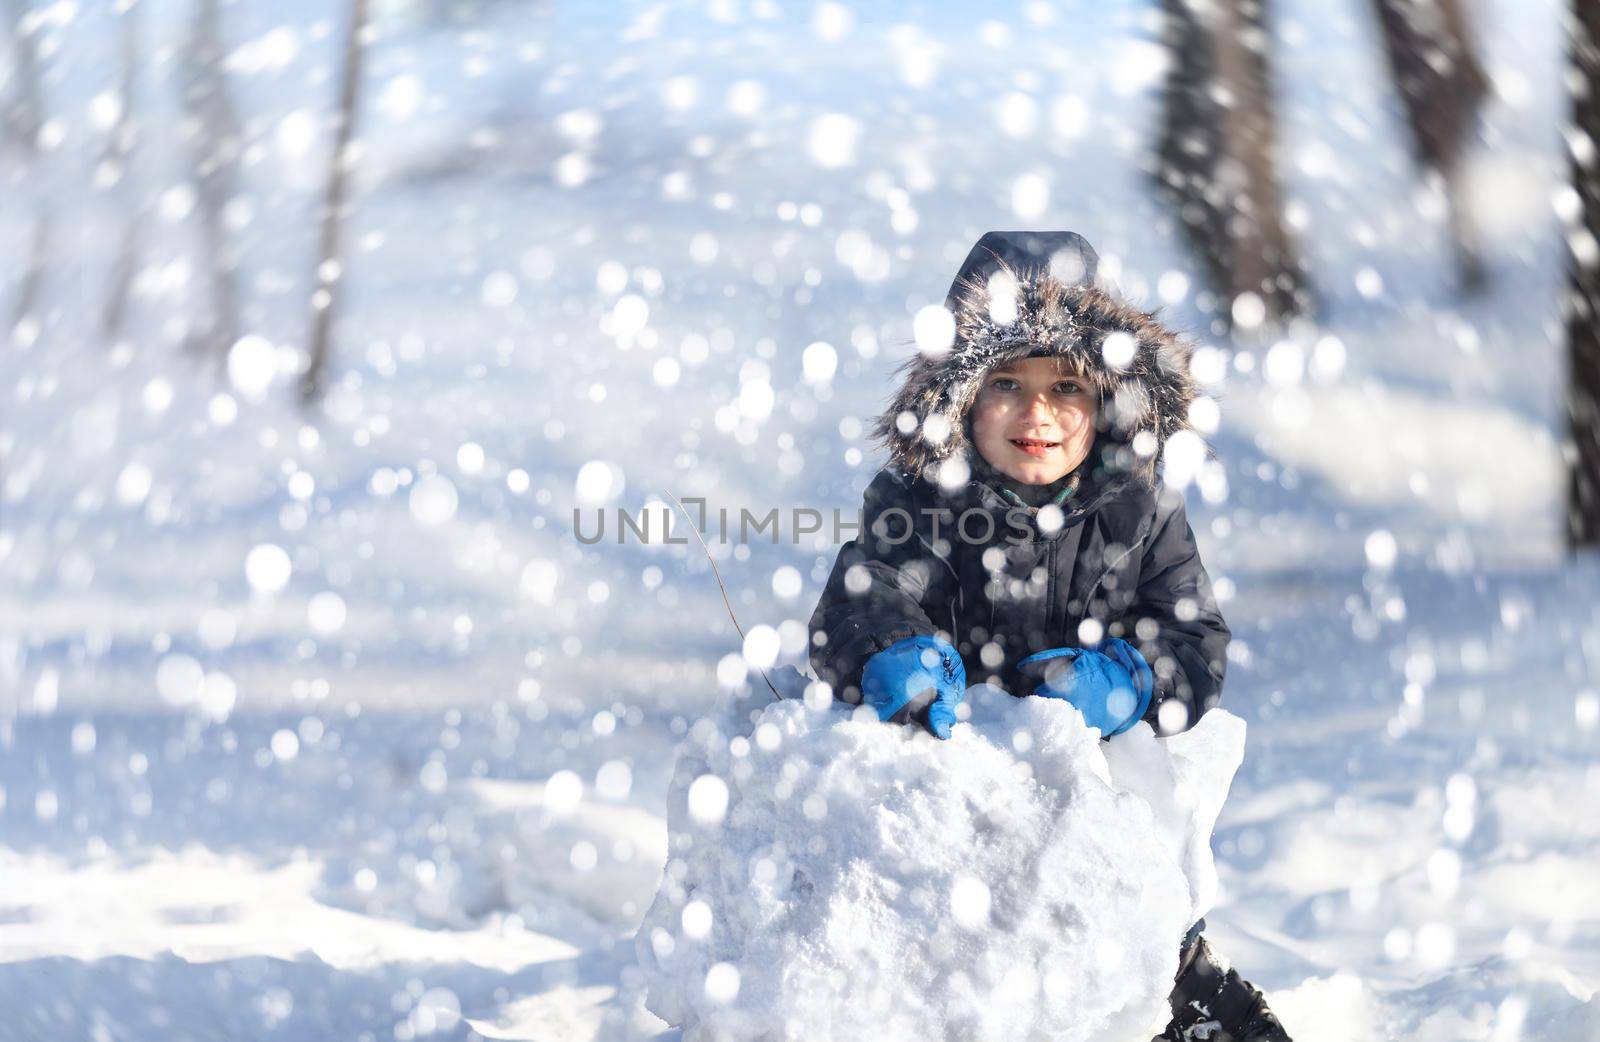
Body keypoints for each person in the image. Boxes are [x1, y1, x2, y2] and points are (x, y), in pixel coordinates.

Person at [806, 230, 1291, 1042]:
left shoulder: (1139, 507)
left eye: (1066, 385)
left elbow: (1193, 635)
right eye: (1007, 384)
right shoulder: (917, 502)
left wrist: (1132, 682)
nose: (1039, 414)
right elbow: (861, 598)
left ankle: (1170, 992)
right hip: (958, 783)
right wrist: (895, 650)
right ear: (961, 399)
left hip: (1097, 779)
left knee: (1135, 851)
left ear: (1105, 399)